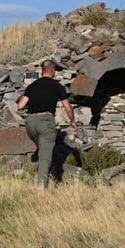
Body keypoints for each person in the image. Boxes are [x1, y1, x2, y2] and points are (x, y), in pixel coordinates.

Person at [17, 59, 77, 188]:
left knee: (43, 150)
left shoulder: (32, 86)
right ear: (53, 71)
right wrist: (72, 121)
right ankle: (41, 188)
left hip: (30, 123)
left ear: (42, 70)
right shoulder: (57, 86)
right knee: (45, 156)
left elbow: (20, 105)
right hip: (46, 121)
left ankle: (44, 174)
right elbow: (67, 107)